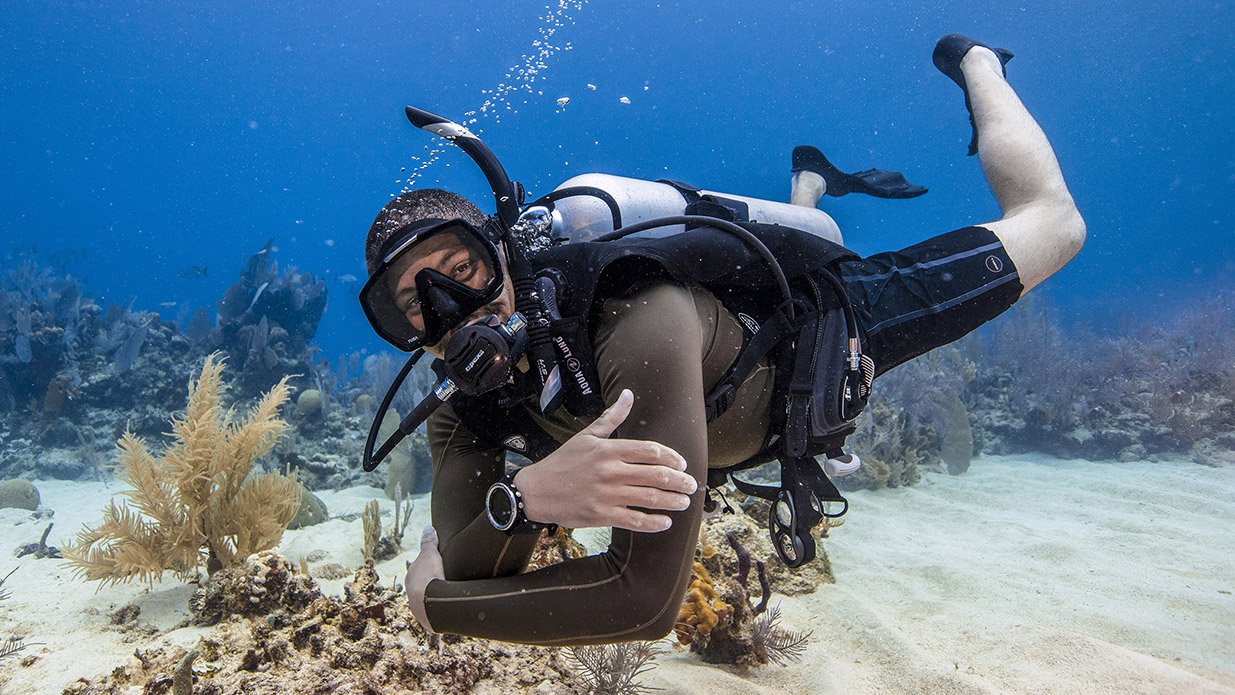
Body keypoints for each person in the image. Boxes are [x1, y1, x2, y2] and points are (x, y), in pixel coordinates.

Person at [364, 35, 1085, 646]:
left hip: (818, 340)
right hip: (723, 407)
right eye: (414, 307)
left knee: (1053, 225)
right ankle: (807, 186)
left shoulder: (633, 314)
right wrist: (521, 500)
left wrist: (435, 609)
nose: (454, 311)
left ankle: (978, 62)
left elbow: (643, 600)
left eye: (465, 271)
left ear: (505, 252)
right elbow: (471, 561)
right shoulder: (466, 408)